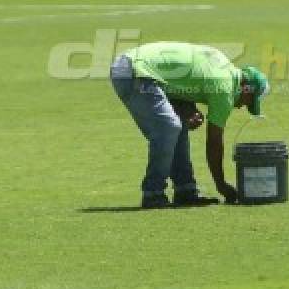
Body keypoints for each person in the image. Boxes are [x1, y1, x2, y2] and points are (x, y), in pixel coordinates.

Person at [110, 41, 270, 209]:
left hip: (135, 68)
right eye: (248, 102)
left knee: (177, 125)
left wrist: (189, 107)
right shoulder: (225, 87)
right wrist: (221, 184)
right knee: (169, 127)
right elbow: (214, 141)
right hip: (134, 72)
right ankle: (153, 193)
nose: (241, 107)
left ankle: (185, 190)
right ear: (247, 88)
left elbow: (186, 75)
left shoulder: (223, 66)